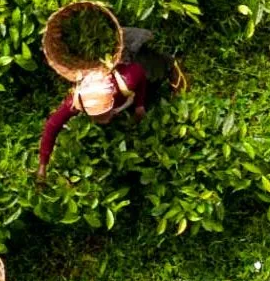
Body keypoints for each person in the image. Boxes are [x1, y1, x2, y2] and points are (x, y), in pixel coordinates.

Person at [35, 25, 173, 179]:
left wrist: (139, 105)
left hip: (131, 62)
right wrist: (42, 166)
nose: (105, 121)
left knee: (156, 69)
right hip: (100, 79)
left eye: (105, 114)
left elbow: (140, 74)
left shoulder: (128, 79)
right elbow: (52, 126)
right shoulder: (78, 100)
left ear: (113, 97)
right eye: (98, 117)